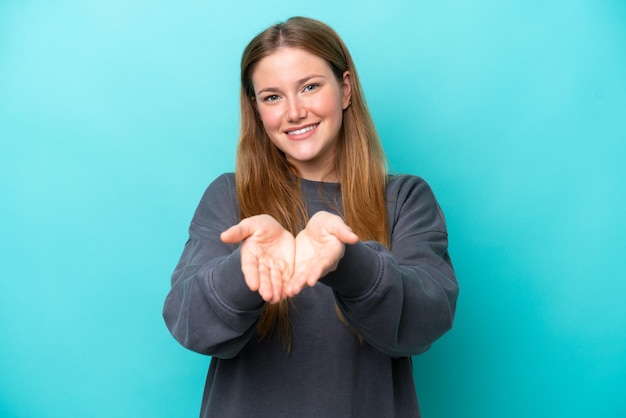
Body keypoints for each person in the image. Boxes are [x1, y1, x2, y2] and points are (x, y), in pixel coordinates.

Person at [163, 16, 458, 418]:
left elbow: (426, 321)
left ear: (346, 89)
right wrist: (244, 269)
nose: (294, 112)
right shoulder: (229, 197)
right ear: (256, 109)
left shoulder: (405, 198)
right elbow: (188, 323)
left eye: (310, 87)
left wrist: (348, 261)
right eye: (272, 97)